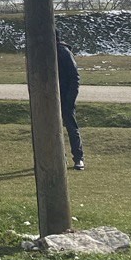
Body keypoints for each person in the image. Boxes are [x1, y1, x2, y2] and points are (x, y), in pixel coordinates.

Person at [56, 31, 84, 171]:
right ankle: (59, 158)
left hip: (65, 96)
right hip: (50, 99)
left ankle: (78, 158)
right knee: (52, 130)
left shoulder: (63, 52)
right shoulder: (44, 52)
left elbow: (75, 77)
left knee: (72, 128)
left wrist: (70, 99)